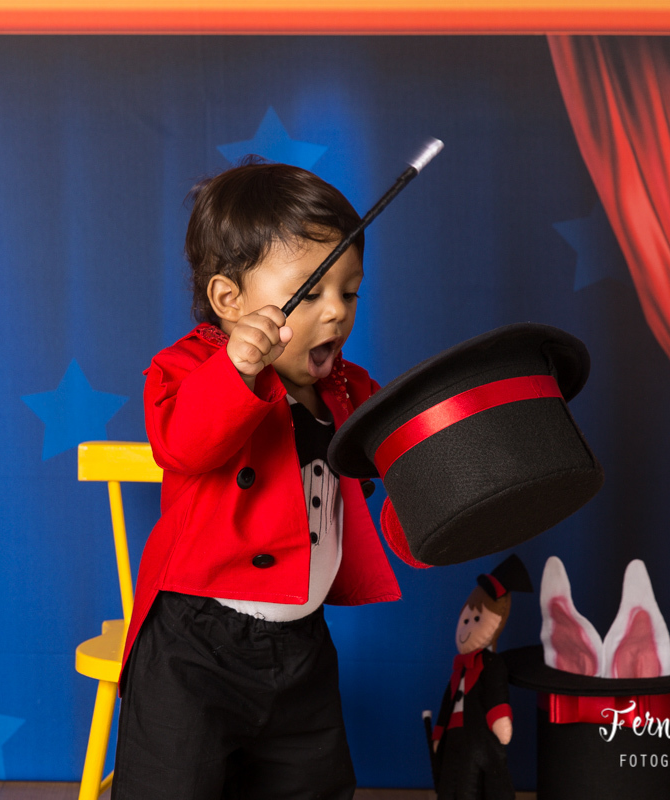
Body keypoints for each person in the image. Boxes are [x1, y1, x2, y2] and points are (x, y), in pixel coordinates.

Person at [111, 160, 402, 800]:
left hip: (303, 642)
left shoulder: (349, 388)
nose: (336, 313)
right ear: (229, 300)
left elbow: (399, 460)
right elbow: (184, 445)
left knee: (311, 785)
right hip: (194, 645)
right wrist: (236, 371)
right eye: (311, 293)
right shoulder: (189, 369)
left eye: (350, 293)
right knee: (171, 788)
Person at [430, 555, 530, 800]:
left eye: (476, 619)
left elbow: (496, 692)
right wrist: (439, 732)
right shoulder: (459, 669)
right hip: (452, 737)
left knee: (470, 784)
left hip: (476, 737)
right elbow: (446, 704)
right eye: (466, 620)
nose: (467, 627)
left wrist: (499, 717)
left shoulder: (491, 664)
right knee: (448, 782)